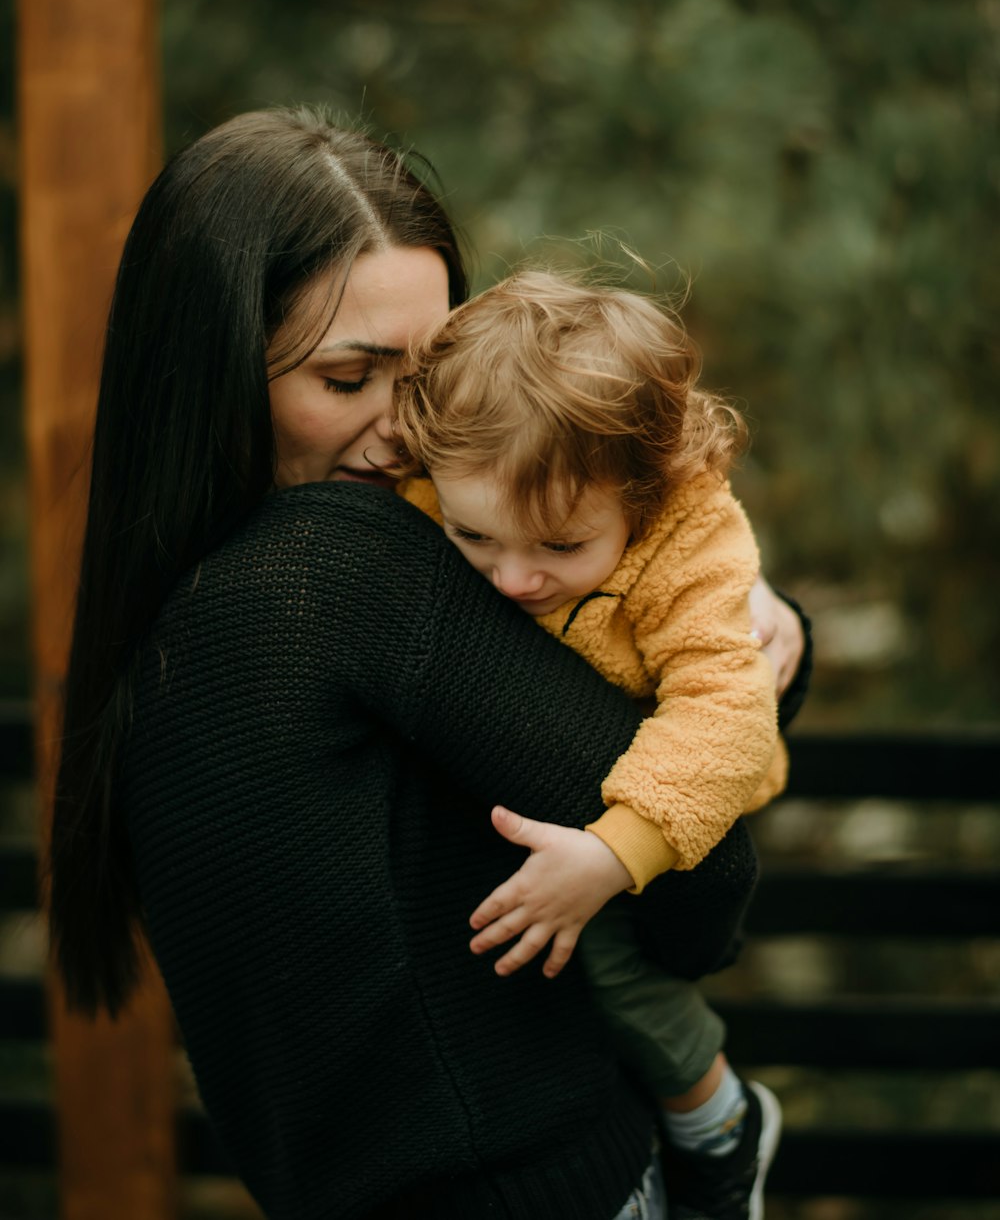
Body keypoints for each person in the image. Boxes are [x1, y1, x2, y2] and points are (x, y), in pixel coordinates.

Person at [47, 108, 807, 1220]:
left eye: (429, 370)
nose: (407, 430)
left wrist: (736, 607)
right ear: (213, 370)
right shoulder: (344, 567)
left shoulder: (163, 612)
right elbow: (707, 880)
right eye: (348, 378)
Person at [393, 270, 801, 1219]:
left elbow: (726, 719)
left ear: (646, 494)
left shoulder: (691, 546)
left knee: (612, 973)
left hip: (667, 803)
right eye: (474, 537)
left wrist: (616, 855)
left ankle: (721, 1122)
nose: (512, 576)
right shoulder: (450, 492)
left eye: (561, 549)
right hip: (540, 817)